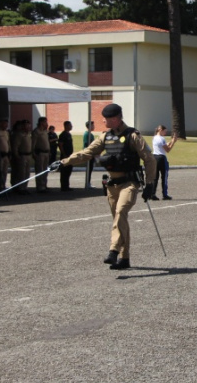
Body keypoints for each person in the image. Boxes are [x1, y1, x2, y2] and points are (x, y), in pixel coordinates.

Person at [59, 104, 156, 270]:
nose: (104, 121)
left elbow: (149, 159)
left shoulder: (133, 135)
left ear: (117, 118)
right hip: (112, 185)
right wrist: (64, 162)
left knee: (120, 212)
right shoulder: (105, 137)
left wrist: (150, 184)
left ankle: (113, 250)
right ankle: (124, 258)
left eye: (107, 118)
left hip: (130, 183)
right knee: (119, 220)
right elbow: (87, 153)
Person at [151, 124, 177, 200]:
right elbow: (168, 149)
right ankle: (164, 194)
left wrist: (171, 142)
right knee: (164, 177)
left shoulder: (154, 138)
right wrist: (173, 142)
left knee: (155, 177)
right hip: (161, 158)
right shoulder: (162, 139)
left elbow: (162, 146)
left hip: (155, 157)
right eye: (164, 131)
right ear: (160, 130)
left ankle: (153, 194)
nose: (165, 133)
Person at [32, 117, 51, 193]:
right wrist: (33, 153)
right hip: (40, 153)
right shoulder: (36, 132)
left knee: (45, 170)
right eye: (45, 122)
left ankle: (44, 185)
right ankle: (40, 187)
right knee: (40, 170)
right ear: (41, 123)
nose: (47, 124)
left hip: (46, 153)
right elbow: (33, 143)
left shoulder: (45, 131)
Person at [58, 120, 75, 192]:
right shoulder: (63, 134)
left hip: (69, 155)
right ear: (66, 126)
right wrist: (64, 154)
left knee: (68, 171)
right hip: (65, 156)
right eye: (70, 125)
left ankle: (67, 185)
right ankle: (64, 186)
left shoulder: (69, 134)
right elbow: (60, 145)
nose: (71, 126)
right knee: (64, 171)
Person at [82, 120, 96, 188]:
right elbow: (86, 144)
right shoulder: (87, 134)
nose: (94, 126)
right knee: (89, 169)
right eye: (92, 125)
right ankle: (87, 183)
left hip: (92, 153)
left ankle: (88, 182)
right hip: (89, 153)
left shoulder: (91, 134)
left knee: (90, 168)